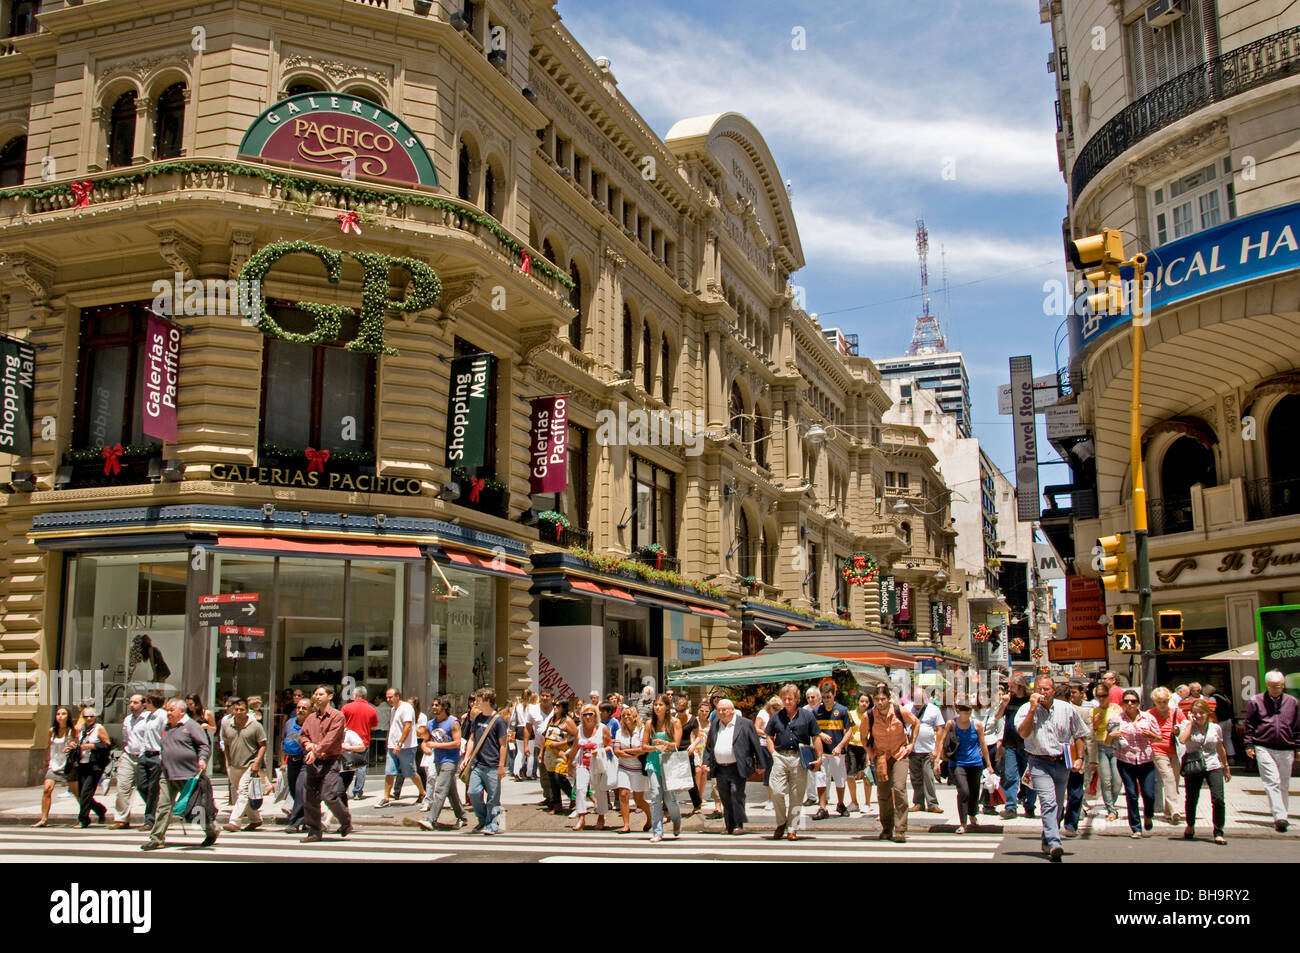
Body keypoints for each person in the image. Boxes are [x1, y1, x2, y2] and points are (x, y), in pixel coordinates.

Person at [1016, 675, 1090, 862]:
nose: (1043, 693)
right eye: (1039, 689)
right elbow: (1023, 733)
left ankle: (1047, 838)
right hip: (1039, 762)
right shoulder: (1026, 709)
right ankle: (1055, 842)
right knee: (1048, 802)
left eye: (1046, 689)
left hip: (1061, 761)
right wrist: (1033, 709)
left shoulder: (1066, 709)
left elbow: (1079, 734)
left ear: (1053, 690)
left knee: (1057, 805)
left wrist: (1080, 758)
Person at [143, 698, 219, 850]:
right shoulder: (166, 727)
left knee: (194, 808)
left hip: (188, 775)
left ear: (182, 711)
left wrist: (202, 759)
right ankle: (156, 838)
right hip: (167, 773)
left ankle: (211, 830)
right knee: (163, 806)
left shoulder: (191, 726)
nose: (168, 713)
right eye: (167, 710)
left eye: (171, 710)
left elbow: (203, 745)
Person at [765, 683, 823, 840]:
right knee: (776, 791)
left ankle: (792, 828)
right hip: (780, 756)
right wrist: (773, 753)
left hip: (799, 757)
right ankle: (781, 822)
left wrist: (819, 758)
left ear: (797, 699)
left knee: (797, 796)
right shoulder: (777, 716)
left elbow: (816, 737)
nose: (787, 702)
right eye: (784, 699)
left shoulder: (807, 716)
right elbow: (768, 736)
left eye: (790, 699)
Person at [1244, 669, 1300, 833]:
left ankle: (1283, 813)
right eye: (1275, 686)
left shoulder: (1292, 702)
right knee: (1272, 781)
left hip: (1286, 746)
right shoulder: (1256, 701)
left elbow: (1297, 726)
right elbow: (1250, 725)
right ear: (1267, 685)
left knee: (1284, 782)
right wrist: (1249, 745)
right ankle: (1279, 816)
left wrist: (1297, 746)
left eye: (1281, 686)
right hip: (1264, 745)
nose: (1278, 689)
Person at [864, 684, 919, 843]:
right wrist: (870, 753)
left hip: (899, 753)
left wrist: (911, 744)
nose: (880, 702)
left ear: (888, 699)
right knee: (884, 793)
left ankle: (900, 829)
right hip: (881, 756)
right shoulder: (870, 716)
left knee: (899, 788)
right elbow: (863, 737)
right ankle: (887, 828)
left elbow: (916, 723)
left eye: (883, 699)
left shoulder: (899, 711)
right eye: (877, 700)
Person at [297, 684, 352, 843]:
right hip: (313, 761)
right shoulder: (310, 718)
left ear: (330, 696)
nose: (317, 696)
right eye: (315, 694)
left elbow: (331, 738)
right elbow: (303, 735)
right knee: (310, 797)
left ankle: (345, 820)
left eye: (321, 694)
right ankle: (314, 831)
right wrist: (307, 744)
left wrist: (315, 751)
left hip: (330, 760)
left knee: (328, 795)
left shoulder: (337, 716)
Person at [406, 696, 467, 831]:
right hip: (437, 760)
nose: (434, 707)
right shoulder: (431, 723)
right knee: (450, 791)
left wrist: (437, 745)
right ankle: (462, 816)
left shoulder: (453, 722)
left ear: (444, 707)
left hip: (450, 761)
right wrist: (425, 748)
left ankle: (431, 820)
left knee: (440, 790)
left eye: (437, 705)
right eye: (433, 705)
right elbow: (425, 741)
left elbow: (457, 743)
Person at [703, 698, 763, 835]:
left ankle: (738, 825)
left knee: (736, 793)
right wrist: (706, 763)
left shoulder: (745, 724)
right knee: (724, 796)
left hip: (737, 766)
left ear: (732, 710)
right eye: (719, 710)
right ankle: (729, 825)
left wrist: (760, 763)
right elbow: (709, 747)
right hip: (720, 767)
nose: (722, 712)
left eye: (724, 710)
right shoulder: (716, 724)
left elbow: (755, 744)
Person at [1109, 689, 1161, 839]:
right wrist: (1112, 736)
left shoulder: (1148, 718)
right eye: (1127, 701)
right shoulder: (1117, 719)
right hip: (1126, 760)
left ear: (1138, 703)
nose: (1130, 704)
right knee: (1131, 794)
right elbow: (1107, 741)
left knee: (1149, 794)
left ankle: (1148, 816)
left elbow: (1159, 738)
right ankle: (1136, 828)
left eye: (1133, 701)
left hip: (1146, 760)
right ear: (1123, 703)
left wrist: (1152, 735)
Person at [1179, 699, 1230, 845]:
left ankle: (1218, 831)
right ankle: (1190, 824)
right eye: (1195, 713)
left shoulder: (1215, 728)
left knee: (1218, 799)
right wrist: (1190, 723)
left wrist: (1225, 766)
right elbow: (1182, 740)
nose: (1198, 716)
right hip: (1194, 765)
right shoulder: (1187, 726)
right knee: (1192, 798)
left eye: (1201, 713)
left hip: (1213, 764)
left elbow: (1220, 747)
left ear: (1208, 713)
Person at [945, 697, 993, 833]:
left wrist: (988, 764)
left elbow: (983, 745)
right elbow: (942, 741)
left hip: (975, 763)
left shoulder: (977, 725)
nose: (967, 713)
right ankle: (963, 823)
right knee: (963, 791)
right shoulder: (951, 724)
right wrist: (938, 759)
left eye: (969, 710)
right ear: (958, 710)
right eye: (964, 710)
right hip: (958, 763)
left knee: (974, 791)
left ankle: (972, 813)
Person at [465, 687, 509, 835]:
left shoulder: (499, 721)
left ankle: (492, 823)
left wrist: (501, 766)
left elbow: (503, 744)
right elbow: (471, 739)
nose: (475, 702)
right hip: (478, 763)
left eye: (479, 699)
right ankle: (483, 818)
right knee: (473, 792)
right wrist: (466, 757)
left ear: (488, 701)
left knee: (493, 797)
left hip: (492, 764)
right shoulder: (477, 718)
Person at [220, 697, 267, 832]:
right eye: (236, 709)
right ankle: (255, 819)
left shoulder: (255, 726)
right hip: (234, 765)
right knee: (242, 794)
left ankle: (234, 822)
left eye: (242, 709)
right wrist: (228, 760)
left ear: (247, 710)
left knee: (243, 792)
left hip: (250, 764)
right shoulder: (227, 724)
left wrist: (257, 762)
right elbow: (226, 744)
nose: (239, 712)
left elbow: (263, 745)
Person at [641, 694, 682, 843]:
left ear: (666, 707)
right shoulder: (649, 723)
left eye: (660, 705)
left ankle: (676, 819)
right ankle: (657, 831)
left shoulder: (675, 722)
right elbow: (643, 746)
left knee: (670, 798)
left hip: (668, 762)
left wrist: (666, 745)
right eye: (655, 705)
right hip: (653, 762)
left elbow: (677, 744)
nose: (657, 707)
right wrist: (654, 746)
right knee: (655, 796)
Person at [995, 674, 1037, 819]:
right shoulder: (1009, 699)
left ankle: (1030, 806)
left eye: (1011, 685)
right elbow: (997, 716)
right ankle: (1011, 807)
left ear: (1019, 685)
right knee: (1011, 776)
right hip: (1011, 744)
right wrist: (1004, 704)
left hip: (1028, 745)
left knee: (1029, 778)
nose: (1009, 688)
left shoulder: (1030, 700)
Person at [108, 693, 150, 830]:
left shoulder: (149, 718)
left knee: (145, 788)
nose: (132, 705)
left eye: (135, 702)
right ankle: (122, 819)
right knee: (122, 787)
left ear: (143, 704)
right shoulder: (127, 720)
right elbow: (126, 739)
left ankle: (152, 817)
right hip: (128, 755)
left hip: (144, 757)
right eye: (130, 702)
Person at [568, 703, 613, 831]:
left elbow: (609, 746)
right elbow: (575, 747)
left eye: (590, 714)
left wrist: (599, 751)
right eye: (585, 714)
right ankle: (581, 817)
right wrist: (569, 763)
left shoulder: (602, 728)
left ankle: (601, 816)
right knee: (580, 789)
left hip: (597, 763)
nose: (588, 717)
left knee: (599, 790)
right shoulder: (579, 729)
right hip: (583, 763)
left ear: (595, 715)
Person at [812, 680, 853, 819]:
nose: (826, 700)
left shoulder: (842, 710)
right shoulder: (816, 711)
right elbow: (813, 730)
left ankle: (840, 803)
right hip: (821, 752)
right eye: (824, 697)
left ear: (834, 695)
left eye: (829, 697)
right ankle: (822, 807)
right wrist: (821, 734)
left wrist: (840, 745)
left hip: (837, 752)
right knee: (821, 779)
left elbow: (849, 731)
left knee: (840, 779)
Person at [378, 687, 424, 806]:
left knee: (410, 772)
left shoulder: (406, 708)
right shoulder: (393, 709)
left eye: (390, 697)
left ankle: (422, 792)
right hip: (392, 746)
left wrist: (400, 743)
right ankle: (386, 797)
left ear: (397, 696)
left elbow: (407, 726)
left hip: (406, 747)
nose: (388, 700)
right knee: (389, 771)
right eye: (387, 697)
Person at [905, 686, 945, 815]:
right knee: (915, 777)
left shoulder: (934, 710)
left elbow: (939, 730)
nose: (918, 703)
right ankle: (918, 803)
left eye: (920, 700)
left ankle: (932, 803)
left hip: (928, 749)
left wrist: (937, 750)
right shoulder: (907, 709)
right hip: (912, 749)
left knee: (928, 776)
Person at [1147, 687, 1184, 824]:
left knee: (1175, 779)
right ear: (1154, 702)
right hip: (1158, 750)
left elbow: (1185, 726)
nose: (1162, 704)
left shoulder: (1177, 713)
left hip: (1175, 750)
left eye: (1165, 701)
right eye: (1159, 702)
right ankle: (1175, 809)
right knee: (1168, 778)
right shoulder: (1149, 714)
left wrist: (1178, 729)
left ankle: (1168, 812)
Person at [1061, 683, 1094, 837]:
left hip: (1075, 757)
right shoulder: (1046, 713)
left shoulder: (1081, 713)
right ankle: (1055, 819)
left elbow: (1089, 738)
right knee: (1054, 793)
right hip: (1055, 759)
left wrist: (1091, 760)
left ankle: (1071, 824)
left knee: (1075, 792)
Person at [34, 706, 75, 828]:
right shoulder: (52, 731)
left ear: (68, 717)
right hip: (54, 764)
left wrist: (72, 746)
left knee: (77, 793)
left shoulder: (72, 731)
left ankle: (90, 812)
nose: (60, 716)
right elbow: (49, 745)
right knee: (47, 789)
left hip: (68, 765)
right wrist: (46, 759)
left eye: (63, 714)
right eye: (58, 714)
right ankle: (44, 818)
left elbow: (77, 744)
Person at [613, 706, 651, 833]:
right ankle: (626, 825)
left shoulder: (641, 730)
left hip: (638, 769)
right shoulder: (619, 732)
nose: (626, 717)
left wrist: (626, 751)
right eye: (624, 715)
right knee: (623, 794)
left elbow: (642, 749)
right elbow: (616, 751)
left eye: (629, 715)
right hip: (623, 767)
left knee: (638, 800)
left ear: (635, 717)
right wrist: (632, 753)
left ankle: (650, 818)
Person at [74, 706, 111, 828]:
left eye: (91, 716)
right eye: (86, 716)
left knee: (86, 792)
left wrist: (92, 746)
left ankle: (83, 819)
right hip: (82, 763)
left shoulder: (99, 728)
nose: (89, 718)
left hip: (95, 765)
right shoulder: (82, 729)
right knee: (82, 793)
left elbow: (107, 745)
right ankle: (100, 809)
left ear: (95, 717)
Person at [1091, 682, 1122, 822]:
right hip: (1101, 746)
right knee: (1106, 780)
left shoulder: (1117, 709)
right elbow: (1091, 732)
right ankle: (1111, 809)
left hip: (1115, 748)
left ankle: (1111, 804)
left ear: (1109, 695)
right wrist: (1095, 724)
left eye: (1104, 695)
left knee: (1117, 781)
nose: (1101, 698)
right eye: (1099, 696)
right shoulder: (1094, 711)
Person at [341, 686, 378, 800]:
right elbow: (374, 726)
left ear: (355, 695)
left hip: (347, 742)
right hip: (363, 742)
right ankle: (357, 792)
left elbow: (340, 722)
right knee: (361, 767)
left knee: (345, 766)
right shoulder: (371, 709)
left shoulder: (347, 707)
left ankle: (343, 790)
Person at [281, 697, 311, 833]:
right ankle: (307, 819)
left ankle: (294, 822)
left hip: (306, 761)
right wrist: (282, 761)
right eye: (298, 707)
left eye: (304, 708)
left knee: (300, 790)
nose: (300, 710)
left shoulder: (312, 724)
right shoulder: (289, 723)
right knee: (294, 791)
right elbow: (282, 741)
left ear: (310, 710)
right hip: (291, 761)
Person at [541, 699, 576, 814]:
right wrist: (541, 752)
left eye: (558, 705)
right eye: (554, 705)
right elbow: (545, 736)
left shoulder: (568, 721)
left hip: (561, 753)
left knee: (559, 777)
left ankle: (573, 796)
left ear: (563, 707)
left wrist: (559, 744)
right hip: (549, 753)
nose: (555, 707)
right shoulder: (551, 719)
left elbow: (575, 738)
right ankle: (557, 805)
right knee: (552, 780)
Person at [844, 692, 873, 816]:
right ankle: (854, 802)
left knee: (867, 776)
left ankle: (867, 803)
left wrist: (869, 753)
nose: (864, 704)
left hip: (865, 747)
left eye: (866, 702)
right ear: (858, 702)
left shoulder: (871, 715)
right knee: (850, 776)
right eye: (862, 701)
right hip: (852, 747)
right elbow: (847, 731)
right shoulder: (851, 714)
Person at [674, 695, 702, 814]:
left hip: (686, 749)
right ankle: (667, 807)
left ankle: (697, 804)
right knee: (671, 778)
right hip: (674, 749)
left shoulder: (692, 719)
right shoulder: (672, 718)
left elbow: (699, 736)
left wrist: (693, 745)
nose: (679, 713)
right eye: (677, 711)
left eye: (681, 711)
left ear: (686, 709)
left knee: (690, 778)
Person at [1203, 683, 1235, 760]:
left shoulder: (1212, 698)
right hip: (1228, 719)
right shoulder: (1223, 695)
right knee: (1228, 738)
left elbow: (1212, 710)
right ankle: (1231, 757)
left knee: (1218, 739)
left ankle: (1221, 757)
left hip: (1220, 720)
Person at [511, 690, 536, 779]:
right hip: (529, 729)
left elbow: (512, 720)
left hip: (520, 729)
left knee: (520, 752)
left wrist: (513, 728)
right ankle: (529, 773)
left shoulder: (517, 706)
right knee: (531, 753)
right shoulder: (533, 707)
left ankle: (516, 771)